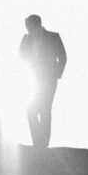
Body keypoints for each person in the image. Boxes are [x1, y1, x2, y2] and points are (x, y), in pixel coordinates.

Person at [18, 14, 66, 147]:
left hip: (49, 79)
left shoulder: (53, 37)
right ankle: (37, 142)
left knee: (45, 109)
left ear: (37, 25)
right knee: (31, 109)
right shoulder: (26, 39)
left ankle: (43, 144)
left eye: (29, 27)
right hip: (32, 78)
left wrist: (57, 73)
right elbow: (20, 55)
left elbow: (62, 56)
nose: (28, 30)